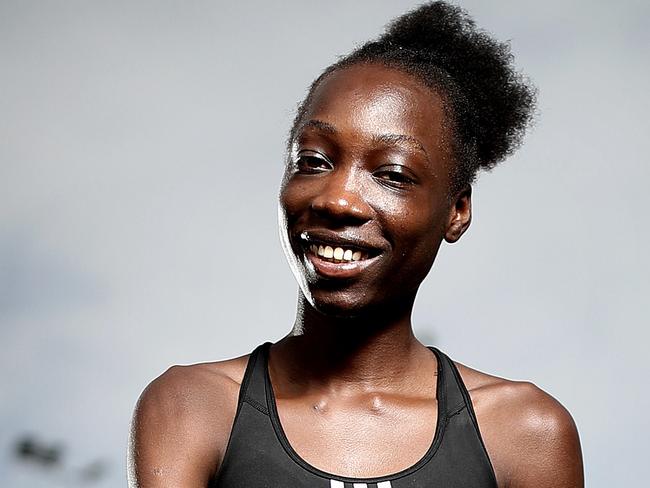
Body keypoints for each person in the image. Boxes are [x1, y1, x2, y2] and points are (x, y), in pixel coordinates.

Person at [127, 2, 584, 487]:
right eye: (314, 161)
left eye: (391, 174)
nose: (338, 199)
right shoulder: (192, 406)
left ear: (457, 210)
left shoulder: (523, 431)